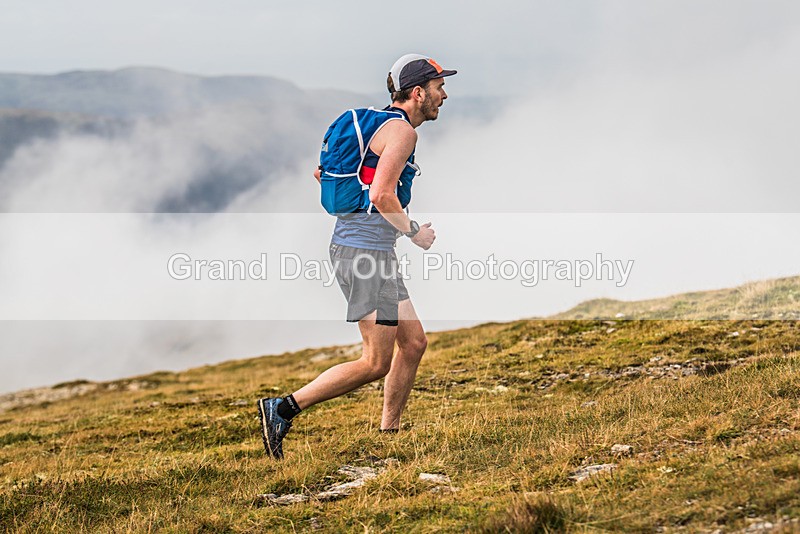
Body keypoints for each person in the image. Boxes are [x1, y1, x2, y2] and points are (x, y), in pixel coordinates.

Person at [257, 54, 456, 459]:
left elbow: (322, 174)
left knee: (413, 343)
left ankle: (389, 432)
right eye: (439, 87)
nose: (444, 94)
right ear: (418, 93)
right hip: (366, 256)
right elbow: (382, 195)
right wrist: (415, 232)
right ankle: (282, 408)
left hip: (367, 251)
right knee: (375, 362)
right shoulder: (402, 132)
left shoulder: (373, 124)